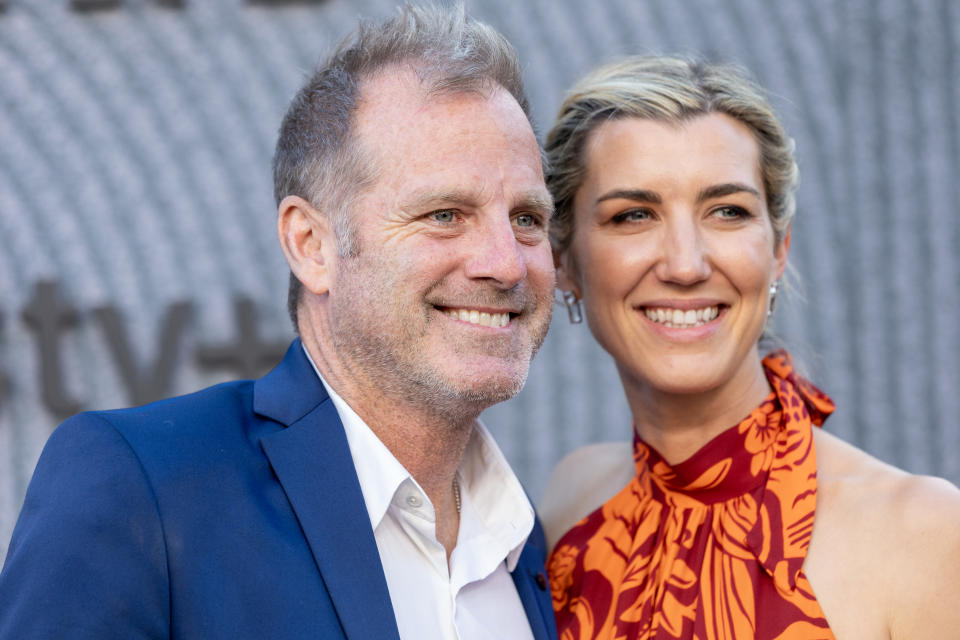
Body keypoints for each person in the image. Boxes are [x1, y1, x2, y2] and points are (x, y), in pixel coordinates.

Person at [0, 5, 559, 639]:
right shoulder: (144, 487)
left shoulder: (523, 542)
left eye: (526, 219)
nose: (505, 264)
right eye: (444, 214)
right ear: (311, 245)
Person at [538, 56, 960, 639]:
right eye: (633, 215)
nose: (685, 264)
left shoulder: (924, 534)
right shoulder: (567, 504)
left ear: (779, 249)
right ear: (563, 261)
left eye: (727, 212)